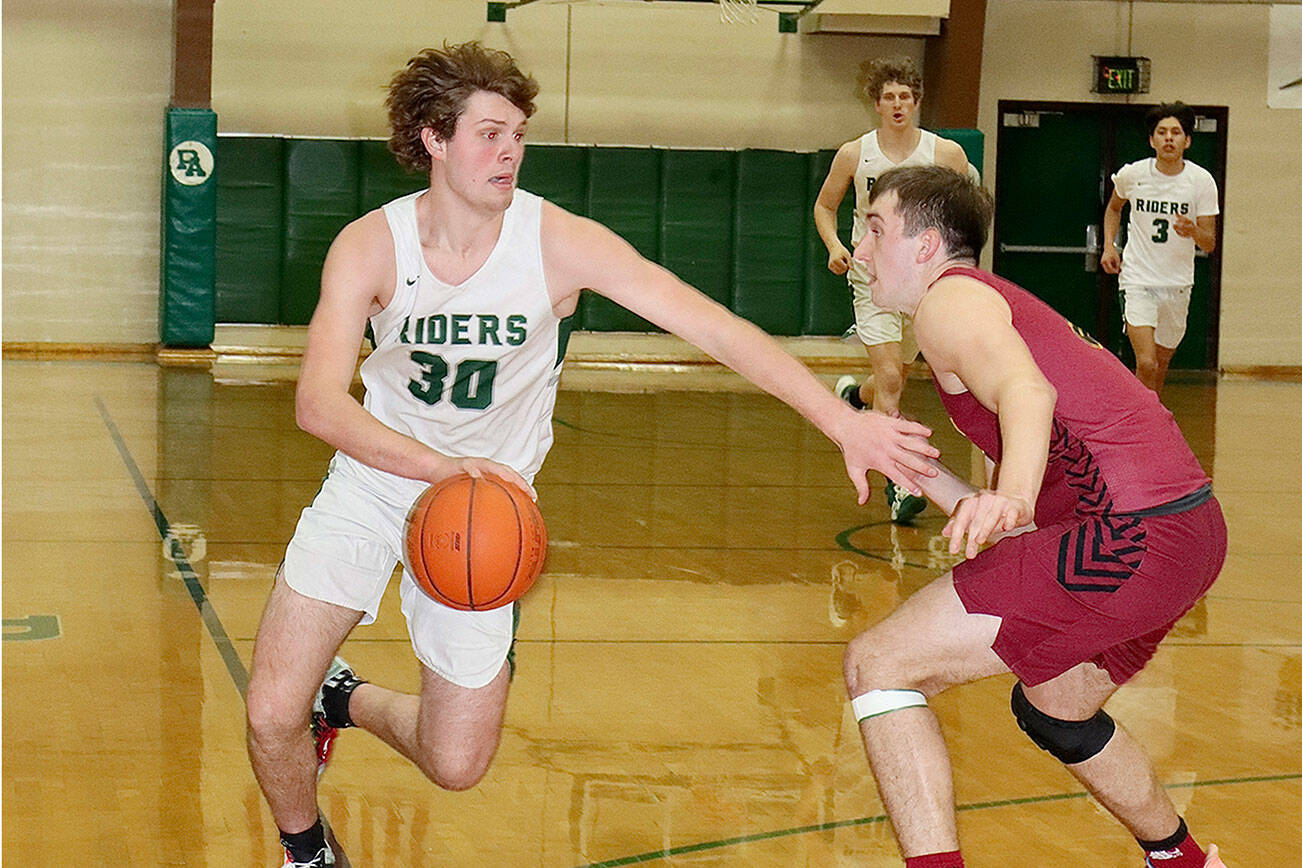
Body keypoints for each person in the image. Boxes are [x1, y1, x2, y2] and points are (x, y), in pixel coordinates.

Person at [244, 42, 941, 868]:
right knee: (266, 712)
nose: (510, 151)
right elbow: (318, 403)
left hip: (486, 519)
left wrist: (841, 420)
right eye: (490, 133)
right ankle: (306, 853)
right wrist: (443, 469)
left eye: (519, 135)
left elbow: (715, 327)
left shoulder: (556, 242)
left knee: (455, 763)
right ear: (433, 137)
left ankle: (347, 699)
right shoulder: (370, 245)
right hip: (378, 483)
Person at [842, 165, 1228, 868]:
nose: (859, 250)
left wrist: (1012, 492)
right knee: (1055, 706)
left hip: (1132, 536)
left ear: (927, 245)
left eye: (874, 229)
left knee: (879, 666)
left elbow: (1028, 391)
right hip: (1187, 533)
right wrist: (914, 466)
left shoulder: (948, 303)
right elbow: (1013, 525)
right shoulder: (985, 311)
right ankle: (1186, 862)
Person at [814, 56, 970, 525]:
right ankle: (899, 485)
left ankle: (855, 397)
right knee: (893, 380)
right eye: (889, 97)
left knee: (895, 374)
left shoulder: (945, 155)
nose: (898, 104)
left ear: (916, 102)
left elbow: (966, 212)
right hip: (873, 277)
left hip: (922, 283)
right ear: (877, 104)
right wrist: (835, 244)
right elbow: (825, 206)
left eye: (906, 96)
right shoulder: (854, 154)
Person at [1102, 101, 1218, 395]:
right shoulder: (1133, 174)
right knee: (1147, 363)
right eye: (1162, 132)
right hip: (1138, 281)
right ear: (1152, 140)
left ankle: (1149, 414)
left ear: (1187, 140)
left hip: (1177, 284)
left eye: (1176, 132)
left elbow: (1209, 242)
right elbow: (1114, 209)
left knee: (1161, 365)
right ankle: (1142, 429)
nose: (1169, 138)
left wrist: (1192, 230)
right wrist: (1109, 247)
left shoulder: (1201, 181)